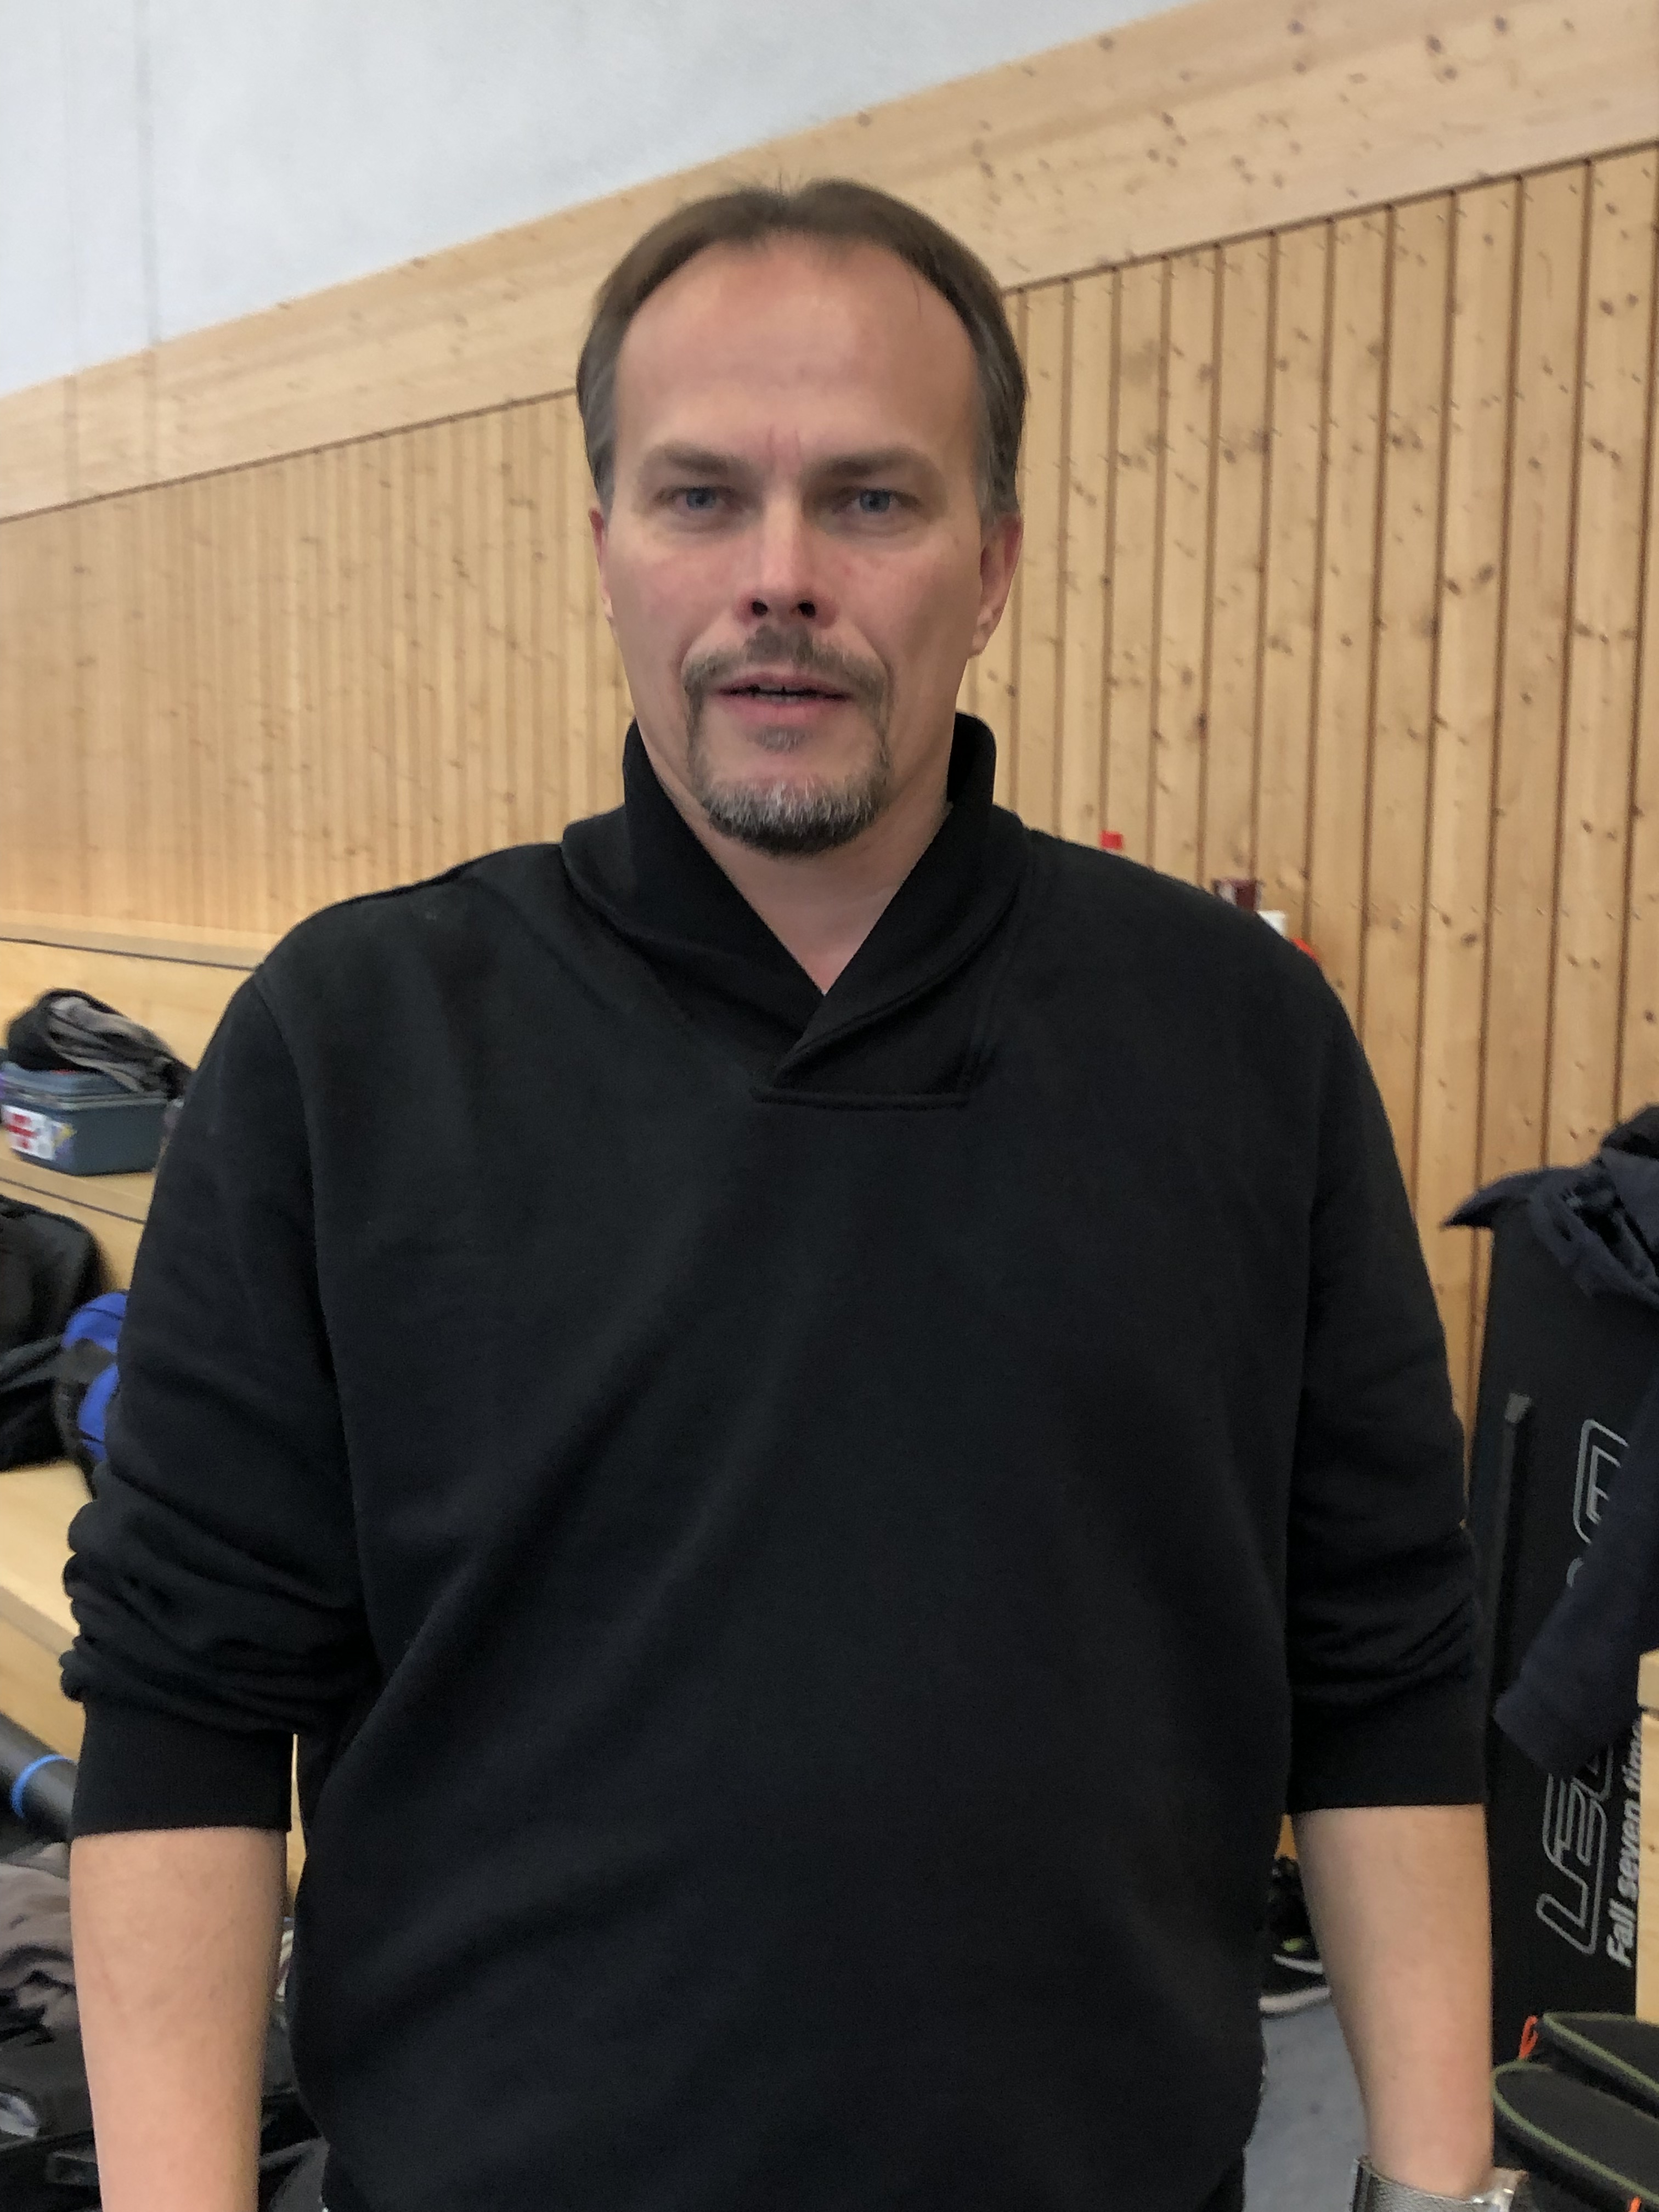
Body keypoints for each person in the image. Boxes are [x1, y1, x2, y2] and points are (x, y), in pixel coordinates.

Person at [64, 179, 1507, 2212]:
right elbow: (185, 1709)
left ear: (992, 563)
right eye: (700, 497)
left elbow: (1382, 1663)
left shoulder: (1242, 1042)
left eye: (871, 499)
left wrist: (1439, 2193)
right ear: (605, 547)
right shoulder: (352, 1047)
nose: (780, 578)